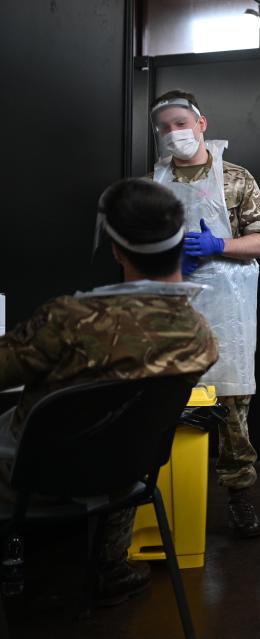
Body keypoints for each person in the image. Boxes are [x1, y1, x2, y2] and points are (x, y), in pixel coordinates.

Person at [0, 178, 218, 605]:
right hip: (125, 476)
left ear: (116, 249)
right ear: (180, 242)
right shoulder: (200, 336)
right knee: (123, 432)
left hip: (33, 479)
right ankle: (110, 566)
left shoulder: (70, 321)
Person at [148, 90, 260, 538]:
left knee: (232, 407)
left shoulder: (237, 179)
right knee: (164, 403)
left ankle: (239, 492)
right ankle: (162, 494)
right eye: (164, 127)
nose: (173, 133)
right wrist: (165, 258)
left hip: (227, 306)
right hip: (171, 306)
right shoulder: (153, 184)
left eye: (180, 122)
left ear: (201, 123)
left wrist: (219, 245)